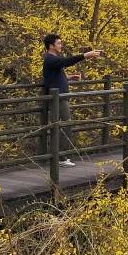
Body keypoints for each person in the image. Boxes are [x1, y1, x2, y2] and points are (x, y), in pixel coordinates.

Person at [41, 33, 103, 167]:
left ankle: (58, 157)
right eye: (58, 43)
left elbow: (53, 76)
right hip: (58, 99)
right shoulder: (50, 59)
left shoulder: (52, 59)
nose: (61, 45)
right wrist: (86, 55)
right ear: (51, 46)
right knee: (65, 125)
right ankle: (60, 158)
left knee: (61, 126)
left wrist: (69, 77)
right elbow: (65, 62)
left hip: (60, 97)